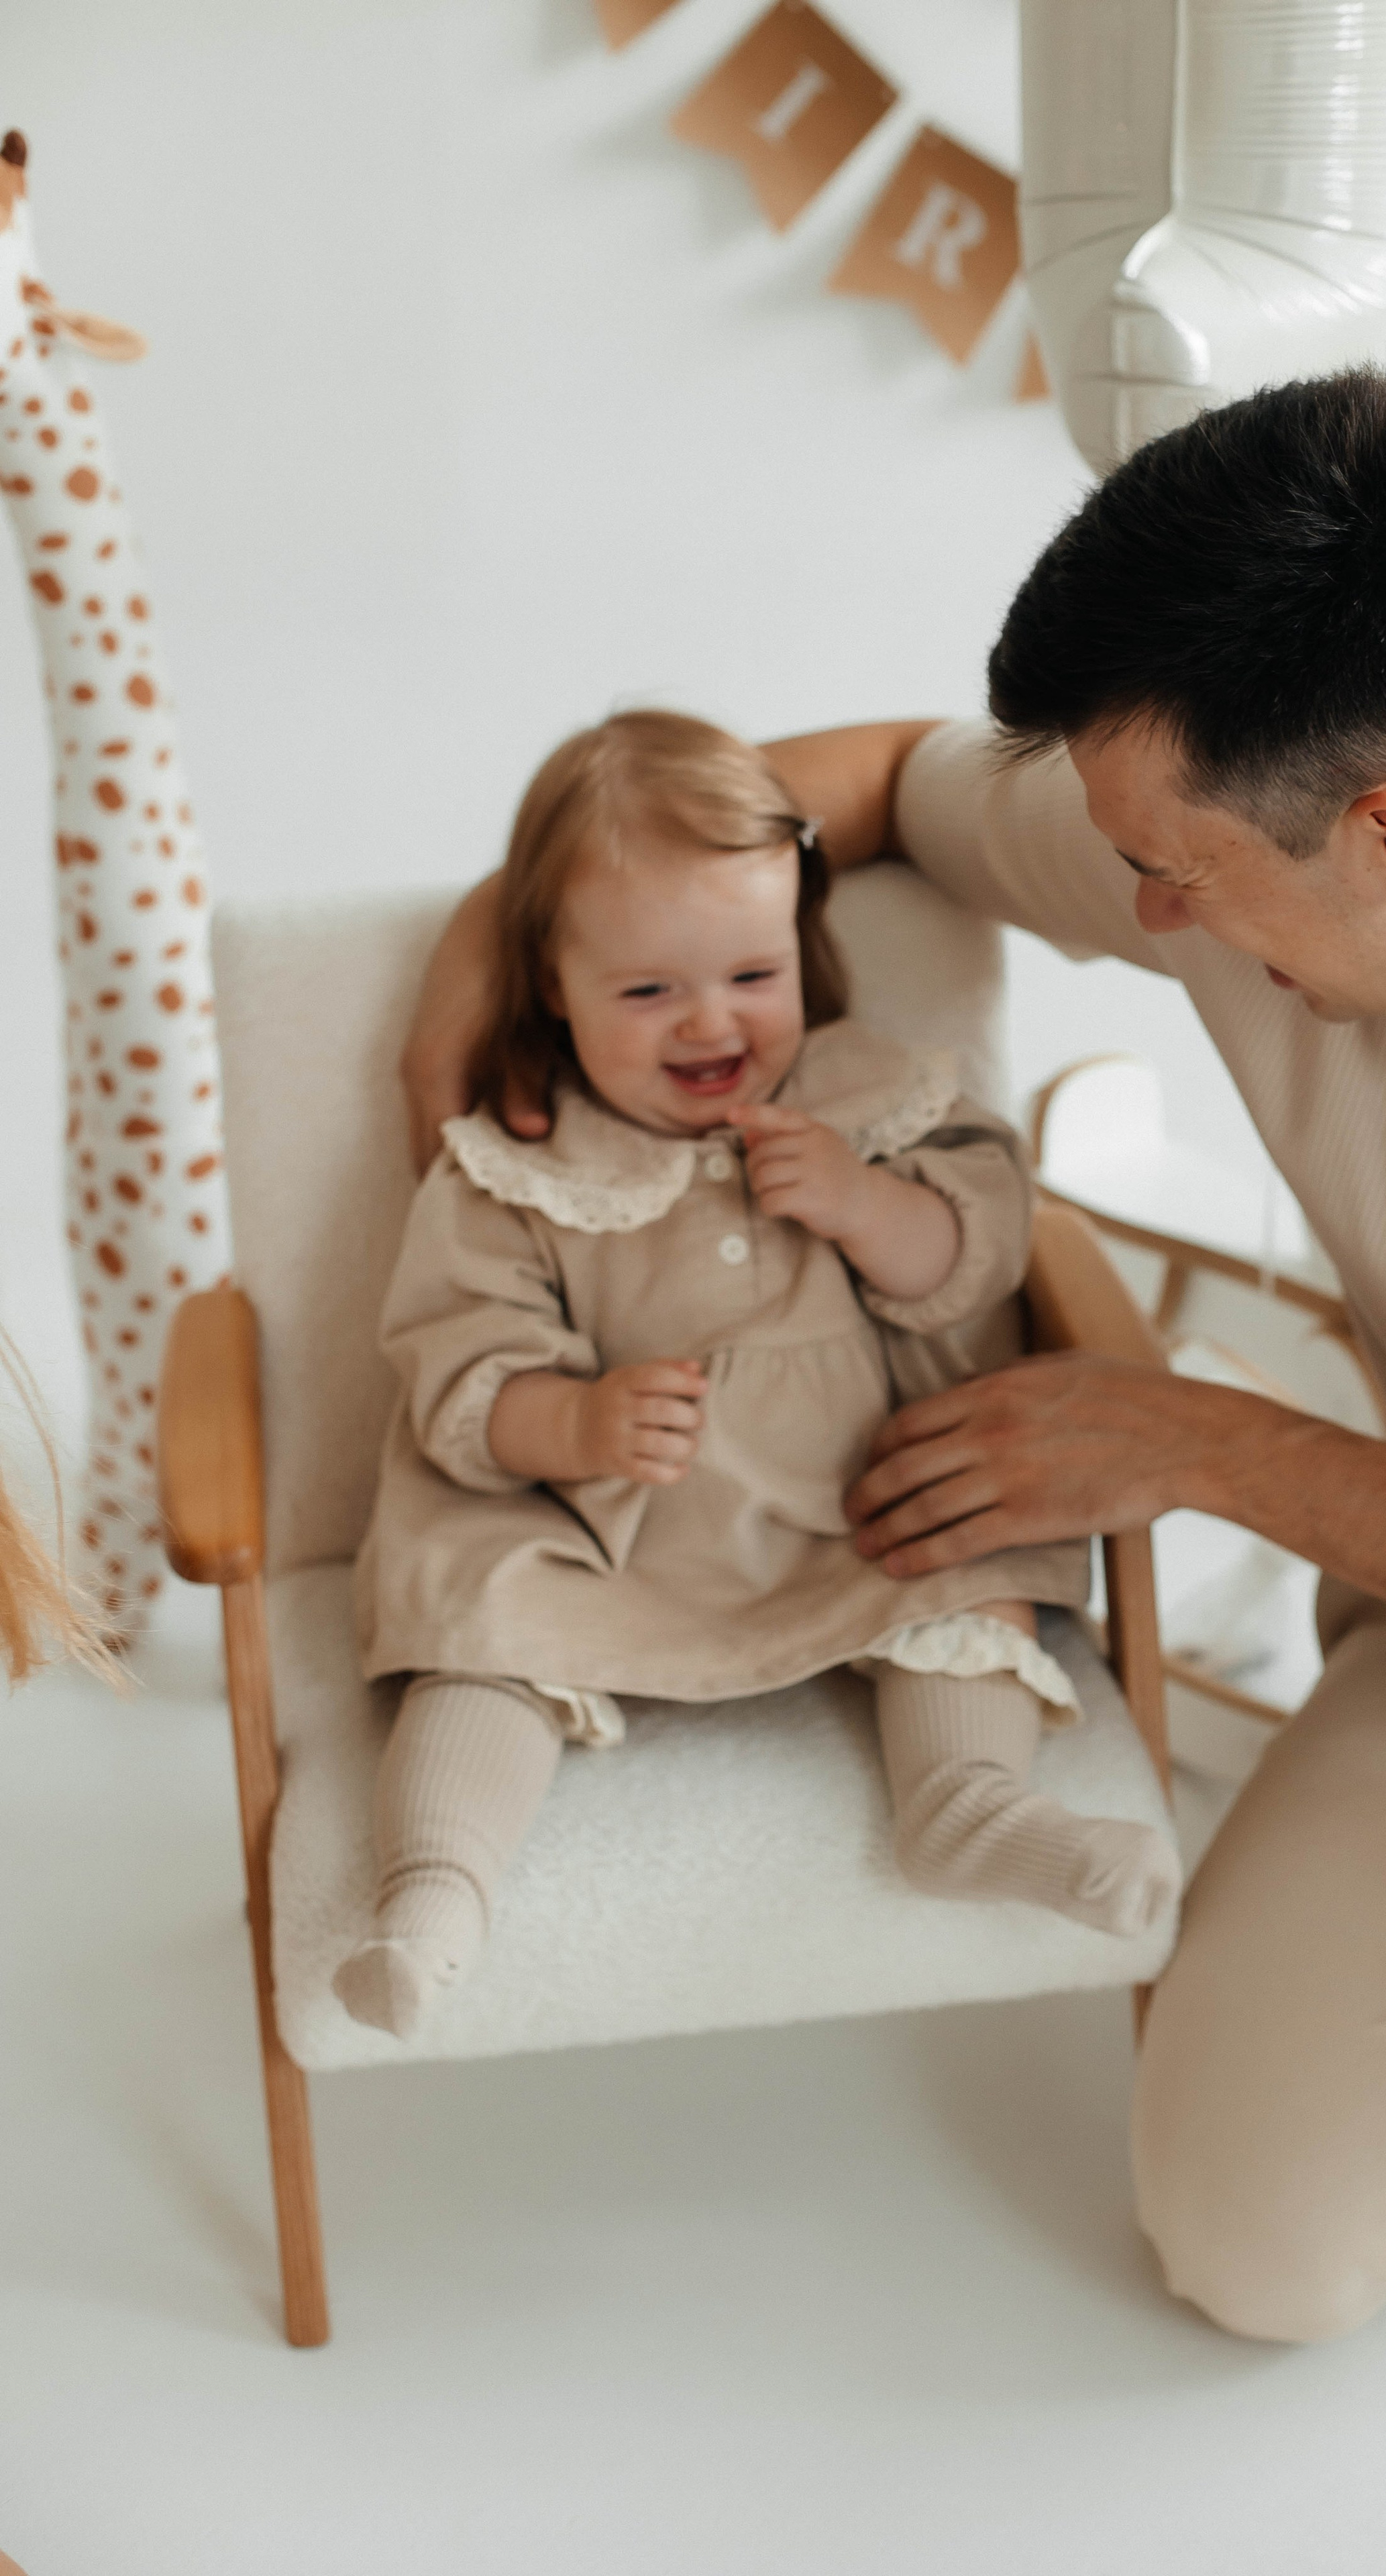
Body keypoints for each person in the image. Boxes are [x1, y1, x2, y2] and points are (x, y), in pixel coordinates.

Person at [399, 371, 1386, 2365]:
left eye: (1180, 885)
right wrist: (486, 961)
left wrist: (1192, 1443)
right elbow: (853, 785)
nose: (1147, 917)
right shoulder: (1239, 801)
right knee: (1260, 2243)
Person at [337, 709, 1177, 2041]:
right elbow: (458, 1361)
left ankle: (970, 1812)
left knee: (958, 1571)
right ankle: (431, 1896)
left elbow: (981, 1248)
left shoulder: (869, 1090)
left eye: (749, 971)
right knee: (480, 1634)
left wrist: (861, 1205)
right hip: (600, 1530)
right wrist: (576, 1420)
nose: (708, 1023)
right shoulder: (520, 1155)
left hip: (856, 1505)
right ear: (551, 986)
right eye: (647, 992)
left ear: (802, 940)